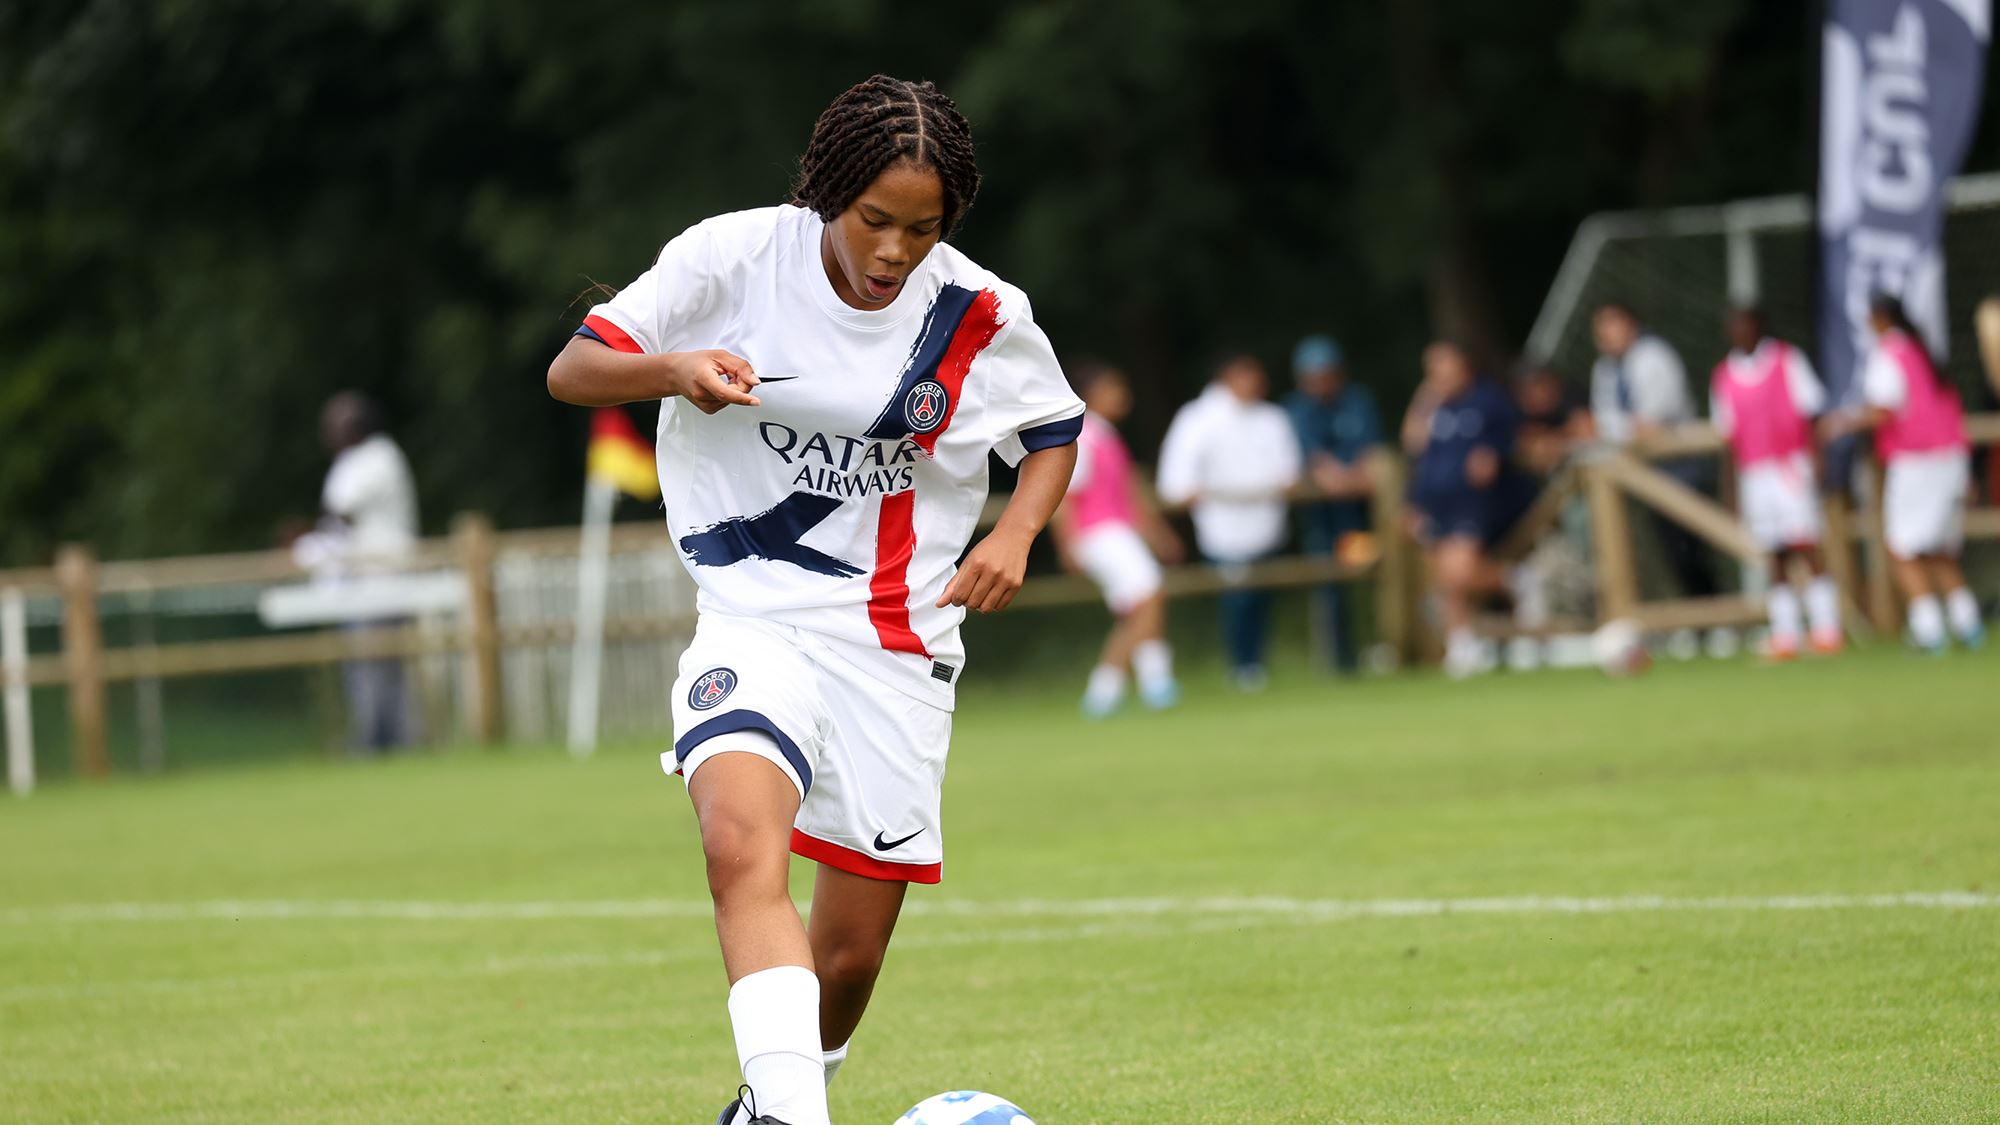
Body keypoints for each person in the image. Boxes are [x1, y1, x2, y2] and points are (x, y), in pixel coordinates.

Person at [545, 76, 1084, 1125]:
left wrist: (1016, 532)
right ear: (827, 190)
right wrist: (672, 369)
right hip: (751, 618)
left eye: (920, 230)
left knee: (847, 955)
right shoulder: (734, 258)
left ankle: (773, 1102)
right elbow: (573, 371)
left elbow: (1053, 431)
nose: (891, 251)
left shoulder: (977, 312)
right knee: (737, 844)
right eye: (873, 220)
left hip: (896, 643)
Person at [1823, 294, 1982, 653]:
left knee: (1902, 548)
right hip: (1951, 459)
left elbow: (1883, 409)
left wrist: (1842, 423)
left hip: (1917, 460)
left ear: (1880, 318)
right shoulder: (1925, 351)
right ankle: (1968, 625)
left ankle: (1929, 632)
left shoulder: (1889, 353)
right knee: (1939, 550)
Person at [1157, 352, 1302, 691]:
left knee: (1261, 597)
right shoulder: (1198, 418)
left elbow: (1289, 471)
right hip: (1222, 527)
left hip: (1266, 522)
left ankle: (1255, 664)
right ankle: (1242, 665)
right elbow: (1176, 479)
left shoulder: (1272, 418)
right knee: (1238, 597)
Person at [1708, 306, 1842, 659]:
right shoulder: (1724, 374)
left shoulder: (1787, 359)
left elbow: (1812, 413)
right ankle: (1786, 635)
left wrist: (1818, 459)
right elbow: (1728, 439)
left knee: (1806, 545)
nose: (1739, 331)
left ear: (1760, 325)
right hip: (1755, 474)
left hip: (1790, 466)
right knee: (1774, 554)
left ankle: (1827, 629)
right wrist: (1731, 489)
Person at [1052, 361, 1184, 717]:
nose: (1122, 395)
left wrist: (1157, 535)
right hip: (1098, 533)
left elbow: (1130, 495)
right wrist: (1068, 545)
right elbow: (1065, 494)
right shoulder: (1082, 435)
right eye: (1113, 387)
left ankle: (1106, 693)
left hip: (1116, 532)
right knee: (1149, 595)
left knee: (1137, 607)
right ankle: (1153, 680)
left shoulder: (1106, 435)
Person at [292, 391, 421, 752]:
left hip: (383, 583)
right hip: (358, 585)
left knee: (379, 671)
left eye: (335, 424)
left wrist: (306, 537)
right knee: (366, 669)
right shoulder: (351, 461)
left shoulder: (380, 457)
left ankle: (380, 746)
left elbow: (340, 513)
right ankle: (383, 744)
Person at [1402, 342, 1530, 679]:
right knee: (1445, 579)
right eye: (1432, 369)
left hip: (1474, 502)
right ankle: (1462, 646)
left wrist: (1493, 453)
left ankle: (1516, 581)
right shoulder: (1434, 408)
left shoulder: (1488, 400)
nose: (1439, 375)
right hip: (1437, 503)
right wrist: (1412, 503)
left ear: (1464, 366)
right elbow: (1414, 447)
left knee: (1459, 571)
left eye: (1445, 366)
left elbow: (1513, 434)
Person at [1589, 301, 1718, 598]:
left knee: (1692, 548)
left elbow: (1650, 425)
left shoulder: (1654, 356)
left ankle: (1716, 615)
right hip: (1644, 474)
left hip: (1682, 466)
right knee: (1669, 550)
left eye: (1613, 324)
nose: (1606, 334)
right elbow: (1609, 422)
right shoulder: (1605, 369)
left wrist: (1610, 428)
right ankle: (1698, 619)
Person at [1283, 334, 1382, 673]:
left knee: (1372, 575)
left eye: (1326, 374)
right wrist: (1341, 478)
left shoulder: (1357, 401)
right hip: (1322, 518)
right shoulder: (1296, 410)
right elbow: (1314, 463)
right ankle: (1339, 662)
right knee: (1330, 587)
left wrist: (1351, 478)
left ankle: (1379, 649)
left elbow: (1370, 456)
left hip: (1359, 514)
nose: (1320, 383)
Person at [1512, 361, 1590, 478]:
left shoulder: (1569, 394)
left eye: (1533, 390)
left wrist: (1554, 441)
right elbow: (1527, 452)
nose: (1529, 399)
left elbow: (1587, 432)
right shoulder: (1533, 415)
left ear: (1547, 382)